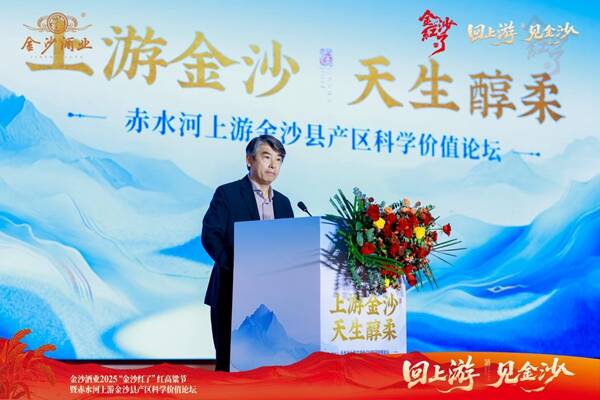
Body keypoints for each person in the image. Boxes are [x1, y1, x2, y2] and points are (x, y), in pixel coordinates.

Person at [201, 135, 294, 371]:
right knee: (230, 366)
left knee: (272, 367)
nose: (273, 165)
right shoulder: (228, 194)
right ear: (249, 160)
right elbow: (211, 236)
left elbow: (290, 247)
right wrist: (238, 269)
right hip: (231, 292)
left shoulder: (284, 203)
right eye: (267, 157)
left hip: (273, 300)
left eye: (279, 159)